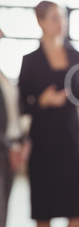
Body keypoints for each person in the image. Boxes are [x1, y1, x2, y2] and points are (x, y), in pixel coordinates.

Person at [18, 1, 79, 227]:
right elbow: (23, 103)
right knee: (44, 210)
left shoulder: (75, 55)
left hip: (71, 141)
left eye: (62, 18)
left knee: (77, 207)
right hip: (43, 144)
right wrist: (42, 101)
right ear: (40, 22)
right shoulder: (30, 60)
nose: (61, 23)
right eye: (54, 18)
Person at [0, 32, 30, 227]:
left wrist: (23, 140)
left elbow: (13, 114)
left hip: (10, 148)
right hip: (4, 149)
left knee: (4, 210)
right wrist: (9, 147)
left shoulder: (2, 74)